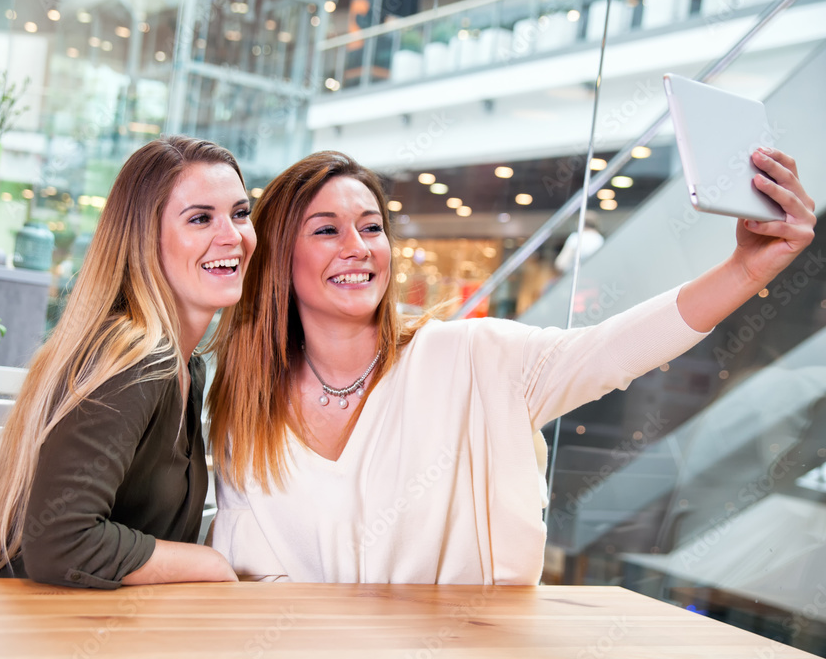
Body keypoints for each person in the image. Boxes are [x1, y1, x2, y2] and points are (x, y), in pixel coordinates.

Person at [207, 147, 815, 584]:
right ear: (279, 258)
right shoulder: (246, 406)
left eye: (372, 227)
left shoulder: (469, 357)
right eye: (326, 230)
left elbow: (613, 349)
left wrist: (746, 270)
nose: (359, 248)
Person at [0, 136, 256, 587]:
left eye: (240, 213)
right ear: (145, 238)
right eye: (200, 218)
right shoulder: (136, 357)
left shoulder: (185, 367)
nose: (231, 236)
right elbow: (60, 542)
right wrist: (206, 563)